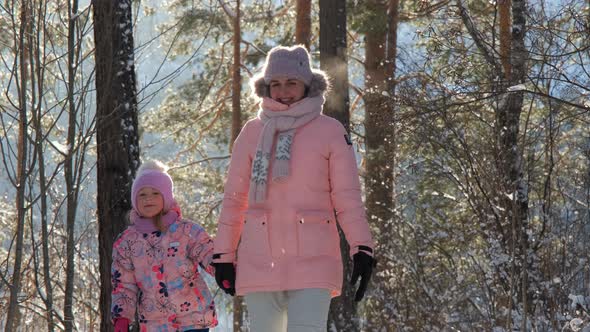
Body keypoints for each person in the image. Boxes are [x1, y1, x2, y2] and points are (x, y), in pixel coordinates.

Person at [212, 45, 376, 332]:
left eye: (291, 83)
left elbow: (347, 198)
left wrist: (361, 247)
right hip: (260, 257)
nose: (283, 91)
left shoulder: (330, 131)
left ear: (307, 85)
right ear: (266, 86)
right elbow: (235, 200)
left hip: (314, 258)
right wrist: (224, 256)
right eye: (275, 84)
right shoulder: (252, 133)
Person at [111, 161, 217, 332]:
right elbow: (123, 284)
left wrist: (225, 270)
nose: (148, 199)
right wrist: (122, 317)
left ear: (167, 197)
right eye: (142, 195)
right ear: (134, 200)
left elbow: (208, 252)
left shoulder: (186, 231)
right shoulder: (126, 242)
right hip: (156, 323)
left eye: (155, 193)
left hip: (193, 317)